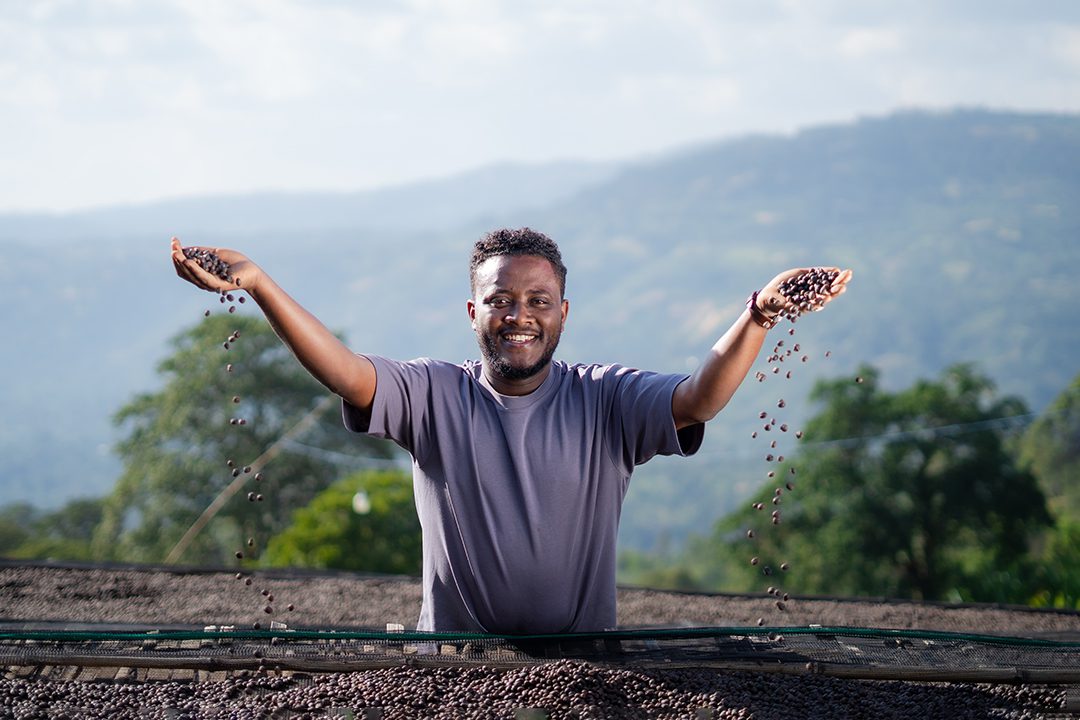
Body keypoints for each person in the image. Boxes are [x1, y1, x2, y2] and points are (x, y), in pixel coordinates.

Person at [171, 228, 851, 634]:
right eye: (500, 301)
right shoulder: (433, 393)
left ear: (563, 313)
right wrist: (258, 284)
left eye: (537, 301)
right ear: (474, 312)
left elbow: (697, 399)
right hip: (451, 676)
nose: (518, 316)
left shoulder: (605, 397)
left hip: (586, 674)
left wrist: (758, 314)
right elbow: (349, 374)